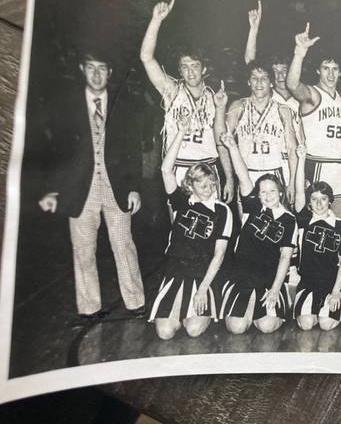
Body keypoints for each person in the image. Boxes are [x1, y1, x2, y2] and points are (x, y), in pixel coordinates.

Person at [38, 51, 145, 319]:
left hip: (115, 188)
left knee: (123, 245)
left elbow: (133, 150)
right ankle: (89, 307)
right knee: (84, 250)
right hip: (79, 190)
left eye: (102, 69)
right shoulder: (66, 107)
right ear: (82, 70)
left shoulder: (124, 105)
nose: (96, 74)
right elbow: (55, 151)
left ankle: (135, 301)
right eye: (91, 68)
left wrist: (134, 187)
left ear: (110, 73)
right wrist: (53, 189)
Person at [139, 0, 234, 202]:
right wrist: (156, 20)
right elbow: (146, 57)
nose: (190, 72)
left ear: (204, 69)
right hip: (180, 166)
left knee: (211, 227)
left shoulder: (214, 97)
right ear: (179, 70)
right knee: (182, 229)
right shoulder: (172, 91)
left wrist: (229, 177)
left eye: (195, 66)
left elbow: (221, 141)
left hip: (209, 167)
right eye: (185, 66)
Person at [149, 116, 233, 340]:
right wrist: (181, 132)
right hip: (176, 274)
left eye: (211, 183)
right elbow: (166, 171)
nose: (207, 188)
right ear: (190, 184)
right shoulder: (181, 202)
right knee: (165, 332)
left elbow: (219, 255)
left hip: (203, 276)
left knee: (193, 330)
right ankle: (179, 311)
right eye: (201, 183)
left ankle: (205, 306)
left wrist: (204, 288)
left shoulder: (222, 211)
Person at [218, 134, 297, 334]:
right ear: (258, 194)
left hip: (269, 279)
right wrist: (232, 147)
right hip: (242, 276)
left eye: (272, 191)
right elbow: (243, 177)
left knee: (267, 327)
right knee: (237, 328)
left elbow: (286, 257)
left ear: (280, 192)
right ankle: (248, 309)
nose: (267, 196)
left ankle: (283, 300)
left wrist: (276, 288)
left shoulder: (289, 220)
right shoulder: (252, 208)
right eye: (263, 192)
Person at [287, 22, 341, 219]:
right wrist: (300, 52)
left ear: (340, 72)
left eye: (335, 69)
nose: (331, 74)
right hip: (318, 165)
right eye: (326, 68)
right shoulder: (312, 95)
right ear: (318, 70)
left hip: (339, 166)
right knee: (314, 226)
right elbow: (292, 85)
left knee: (340, 225)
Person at [242, 0, 305, 194]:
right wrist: (253, 30)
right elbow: (250, 64)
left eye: (283, 70)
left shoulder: (300, 98)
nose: (279, 76)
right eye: (275, 72)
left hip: (295, 161)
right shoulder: (267, 96)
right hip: (272, 161)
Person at [292, 145, 341, 331]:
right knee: (306, 324)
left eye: (323, 198)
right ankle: (314, 309)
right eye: (314, 199)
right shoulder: (304, 220)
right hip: (308, 281)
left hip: (333, 282)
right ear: (309, 203)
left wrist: (335, 292)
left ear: (330, 200)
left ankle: (333, 305)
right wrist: (301, 159)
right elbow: (299, 191)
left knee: (326, 325)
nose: (319, 203)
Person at [223, 60, 298, 192]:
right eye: (254, 78)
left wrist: (292, 182)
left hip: (275, 174)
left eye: (264, 78)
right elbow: (223, 143)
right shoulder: (238, 106)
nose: (258, 83)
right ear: (248, 82)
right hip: (246, 175)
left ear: (271, 83)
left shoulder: (283, 110)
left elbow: (292, 149)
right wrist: (229, 178)